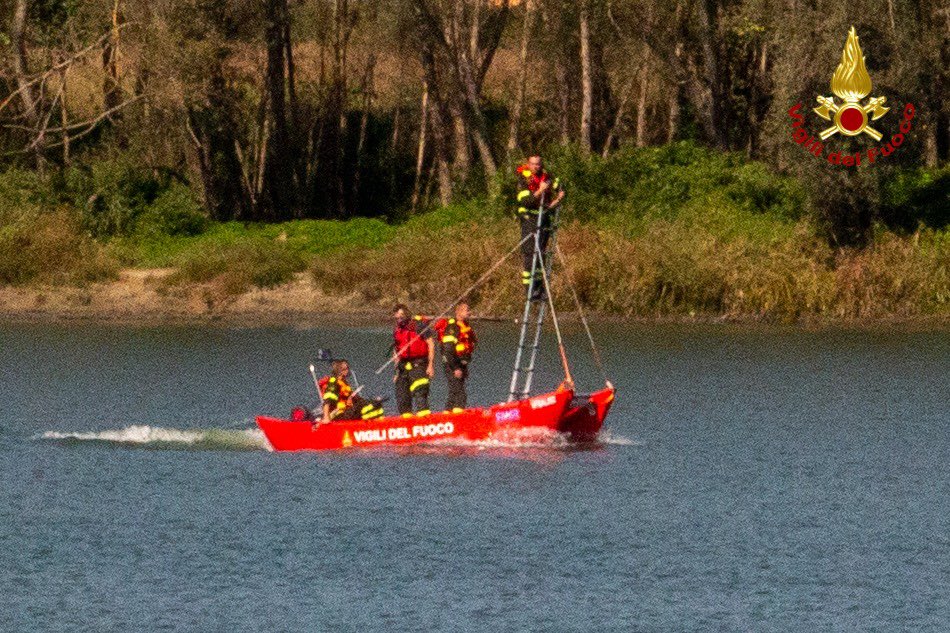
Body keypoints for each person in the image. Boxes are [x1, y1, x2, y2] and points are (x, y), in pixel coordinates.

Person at [515, 155, 565, 300]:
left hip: (543, 220)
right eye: (533, 164)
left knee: (540, 256)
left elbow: (558, 188)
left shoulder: (546, 177)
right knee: (530, 255)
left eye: (538, 164)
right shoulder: (523, 179)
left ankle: (539, 288)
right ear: (528, 164)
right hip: (529, 221)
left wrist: (558, 198)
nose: (536, 167)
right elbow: (527, 202)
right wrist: (541, 190)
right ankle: (529, 290)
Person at [392, 304, 435, 417]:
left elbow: (431, 343)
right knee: (402, 396)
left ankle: (424, 418)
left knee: (420, 393)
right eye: (397, 317)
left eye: (401, 316)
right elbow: (396, 351)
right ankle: (407, 419)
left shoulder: (419, 325)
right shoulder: (397, 329)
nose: (399, 319)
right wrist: (396, 372)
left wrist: (430, 365)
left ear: (407, 314)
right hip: (403, 366)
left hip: (419, 364)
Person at [434, 302, 477, 413]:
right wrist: (455, 368)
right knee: (460, 394)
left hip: (461, 363)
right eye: (467, 310)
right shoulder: (452, 327)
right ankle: (458, 416)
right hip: (452, 364)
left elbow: (471, 343)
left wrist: (464, 363)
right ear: (458, 312)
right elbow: (448, 350)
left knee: (454, 392)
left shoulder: (465, 326)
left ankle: (447, 415)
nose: (469, 312)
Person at [320, 359, 384, 423]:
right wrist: (326, 418)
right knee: (361, 405)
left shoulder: (344, 383)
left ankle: (378, 423)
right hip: (339, 415)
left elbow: (356, 399)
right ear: (339, 370)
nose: (347, 370)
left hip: (347, 412)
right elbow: (328, 400)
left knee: (374, 404)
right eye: (344, 369)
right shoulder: (334, 381)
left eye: (347, 368)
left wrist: (373, 401)